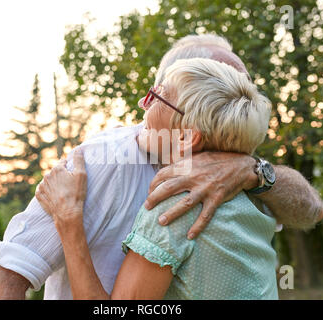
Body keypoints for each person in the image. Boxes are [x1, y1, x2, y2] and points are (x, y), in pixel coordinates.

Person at [0, 35, 323, 300]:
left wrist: (253, 171)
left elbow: (310, 210)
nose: (145, 104)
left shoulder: (192, 200)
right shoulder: (97, 163)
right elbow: (6, 274)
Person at [36, 57, 279, 299]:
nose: (143, 102)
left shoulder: (176, 208)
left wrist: (69, 222)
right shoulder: (257, 196)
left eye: (158, 96)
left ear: (186, 137)